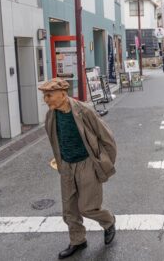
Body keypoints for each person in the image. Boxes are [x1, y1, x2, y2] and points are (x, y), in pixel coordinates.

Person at [39, 78, 117, 259]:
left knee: (88, 207)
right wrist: (60, 160)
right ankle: (78, 240)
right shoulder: (51, 115)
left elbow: (107, 138)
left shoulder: (84, 111)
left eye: (49, 95)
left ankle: (108, 221)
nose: (46, 100)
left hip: (87, 163)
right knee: (69, 210)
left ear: (63, 95)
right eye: (44, 96)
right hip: (66, 165)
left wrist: (104, 164)